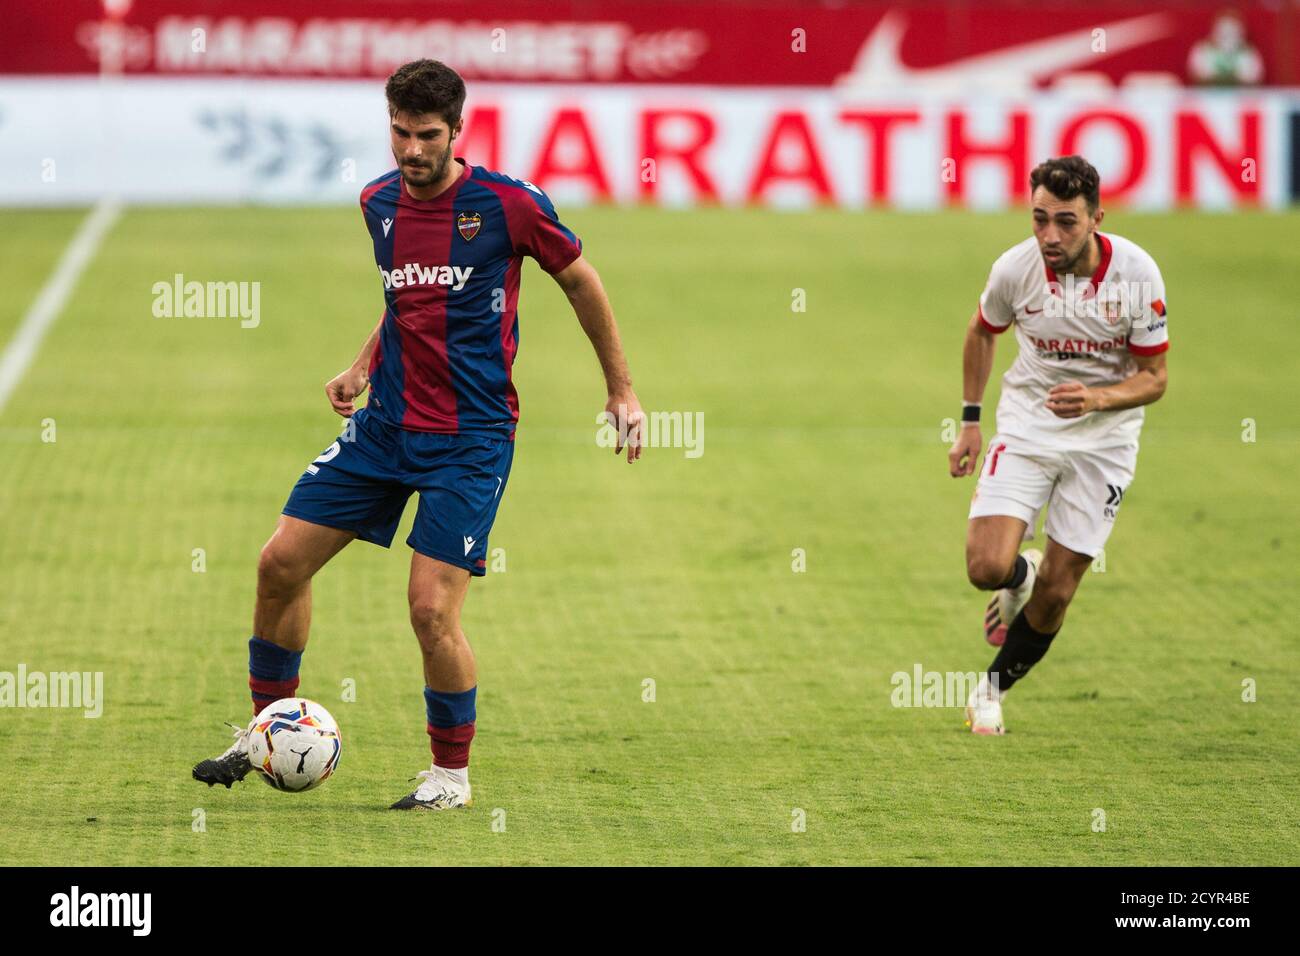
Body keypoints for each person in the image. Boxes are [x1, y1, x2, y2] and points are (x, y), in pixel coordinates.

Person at [193, 59, 644, 807]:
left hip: (469, 441)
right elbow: (406, 302)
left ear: (457, 130)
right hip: (384, 430)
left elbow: (581, 281)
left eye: (427, 135)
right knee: (278, 565)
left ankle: (450, 778)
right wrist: (362, 364)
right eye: (399, 132)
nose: (410, 150)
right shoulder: (377, 203)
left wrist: (620, 390)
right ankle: (264, 731)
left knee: (431, 611)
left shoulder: (509, 205)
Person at [948, 155, 1169, 735]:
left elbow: (1155, 379)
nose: (1050, 235)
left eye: (1065, 222)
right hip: (1027, 425)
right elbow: (981, 331)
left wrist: (1097, 400)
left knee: (1061, 587)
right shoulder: (1014, 271)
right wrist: (971, 421)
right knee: (984, 566)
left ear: (1097, 216)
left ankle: (990, 690)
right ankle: (1018, 577)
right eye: (1039, 218)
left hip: (1105, 442)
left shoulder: (1137, 276)